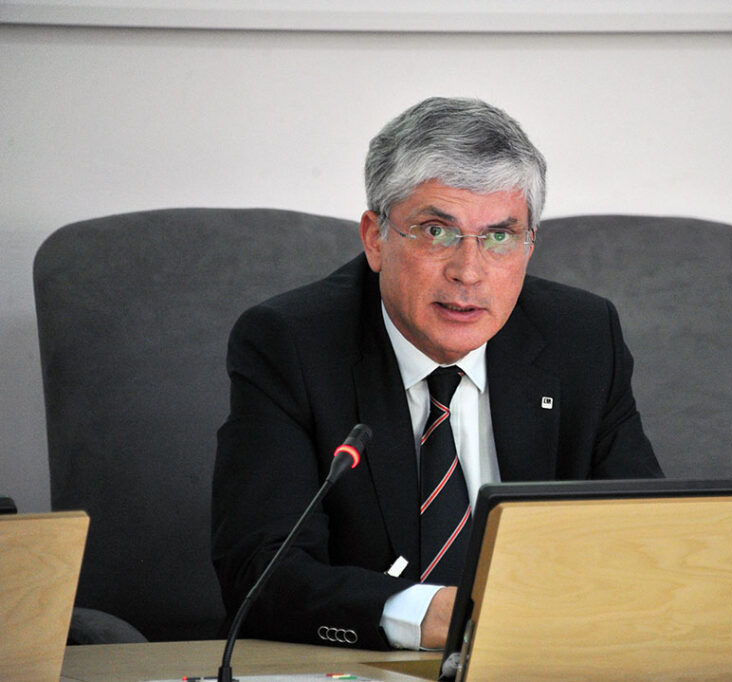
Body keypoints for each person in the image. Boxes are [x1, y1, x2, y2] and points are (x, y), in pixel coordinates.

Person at [211, 97, 662, 652]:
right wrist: (423, 614)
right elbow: (260, 573)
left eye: (499, 237)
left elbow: (650, 543)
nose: (468, 272)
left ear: (529, 245)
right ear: (375, 239)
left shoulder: (582, 338)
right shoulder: (291, 345)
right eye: (435, 231)